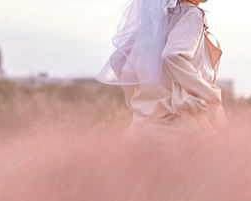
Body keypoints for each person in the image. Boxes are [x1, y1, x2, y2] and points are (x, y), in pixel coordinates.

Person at [97, 0, 227, 149]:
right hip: (181, 120)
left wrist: (137, 98)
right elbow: (172, 56)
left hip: (142, 125)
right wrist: (207, 93)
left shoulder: (155, 19)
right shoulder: (192, 15)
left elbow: (120, 62)